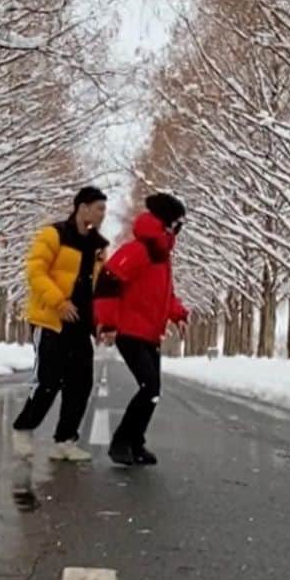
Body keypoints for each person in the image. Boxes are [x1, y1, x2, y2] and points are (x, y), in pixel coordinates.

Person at [12, 186, 109, 462]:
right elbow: (35, 270)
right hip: (52, 321)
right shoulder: (53, 234)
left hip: (81, 325)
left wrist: (100, 323)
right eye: (99, 208)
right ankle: (23, 428)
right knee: (48, 381)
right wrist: (59, 302)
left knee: (81, 383)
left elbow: (98, 288)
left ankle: (65, 440)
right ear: (82, 207)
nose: (103, 214)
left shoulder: (99, 245)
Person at [93, 192, 189, 466]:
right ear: (166, 224)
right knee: (149, 387)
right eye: (177, 224)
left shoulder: (161, 257)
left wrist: (178, 314)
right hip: (130, 331)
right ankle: (121, 443)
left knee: (153, 390)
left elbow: (163, 295)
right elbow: (108, 282)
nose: (179, 229)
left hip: (149, 333)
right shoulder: (138, 250)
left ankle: (136, 444)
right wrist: (108, 322)